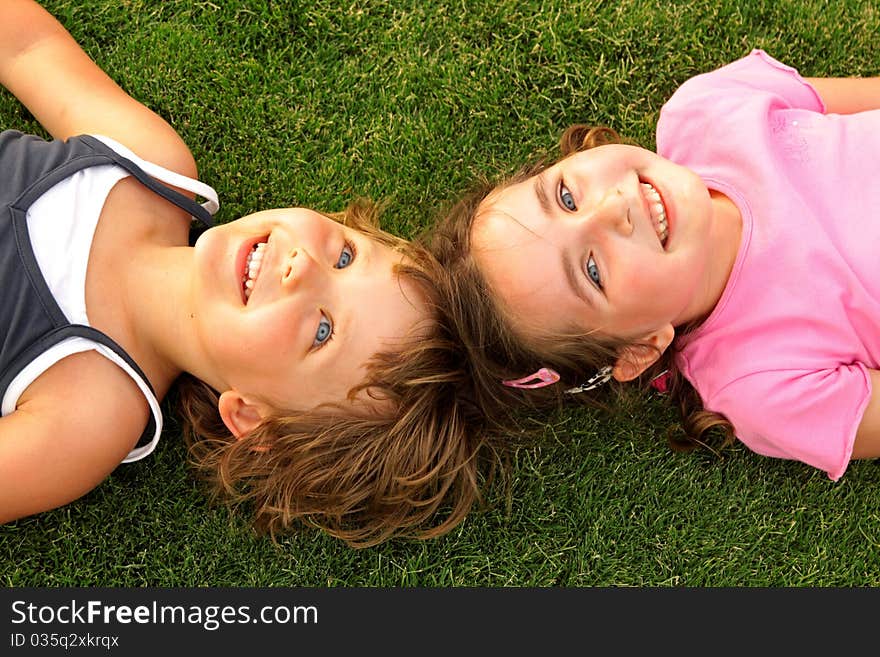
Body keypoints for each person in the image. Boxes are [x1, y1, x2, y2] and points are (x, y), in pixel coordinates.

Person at [0, 0, 500, 548]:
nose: (303, 267)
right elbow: (28, 49)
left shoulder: (91, 417)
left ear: (253, 419)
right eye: (345, 258)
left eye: (323, 331)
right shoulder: (151, 167)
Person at [425, 49, 880, 482]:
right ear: (641, 349)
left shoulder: (707, 111)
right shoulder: (759, 385)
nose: (610, 209)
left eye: (566, 197)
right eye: (592, 271)